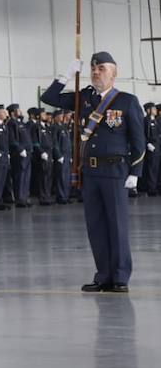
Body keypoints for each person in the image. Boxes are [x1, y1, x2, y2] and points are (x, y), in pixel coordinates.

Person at [41, 52, 145, 292]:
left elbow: (139, 140)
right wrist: (66, 75)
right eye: (93, 68)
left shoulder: (127, 101)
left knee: (117, 225)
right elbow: (50, 97)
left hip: (115, 172)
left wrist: (135, 171)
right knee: (96, 226)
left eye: (102, 68)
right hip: (90, 172)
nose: (97, 72)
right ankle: (103, 276)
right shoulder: (83, 97)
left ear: (114, 73)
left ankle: (120, 277)